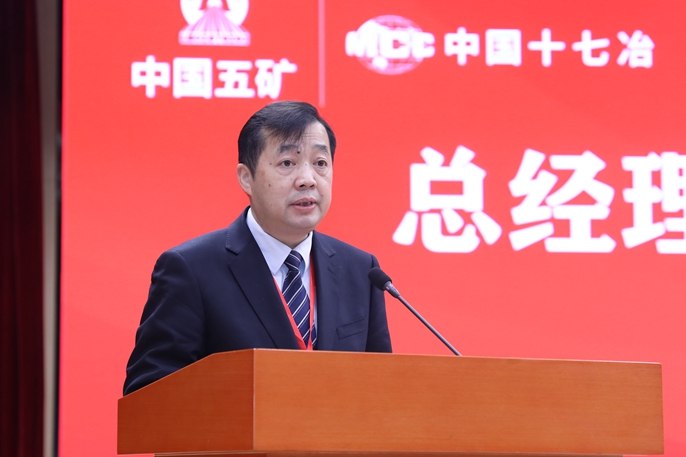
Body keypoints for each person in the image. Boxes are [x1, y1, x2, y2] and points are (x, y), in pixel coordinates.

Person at [124, 101, 392, 395]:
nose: (307, 180)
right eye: (287, 163)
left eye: (320, 163)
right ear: (246, 178)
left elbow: (381, 390)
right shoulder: (191, 270)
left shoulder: (361, 271)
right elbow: (148, 394)